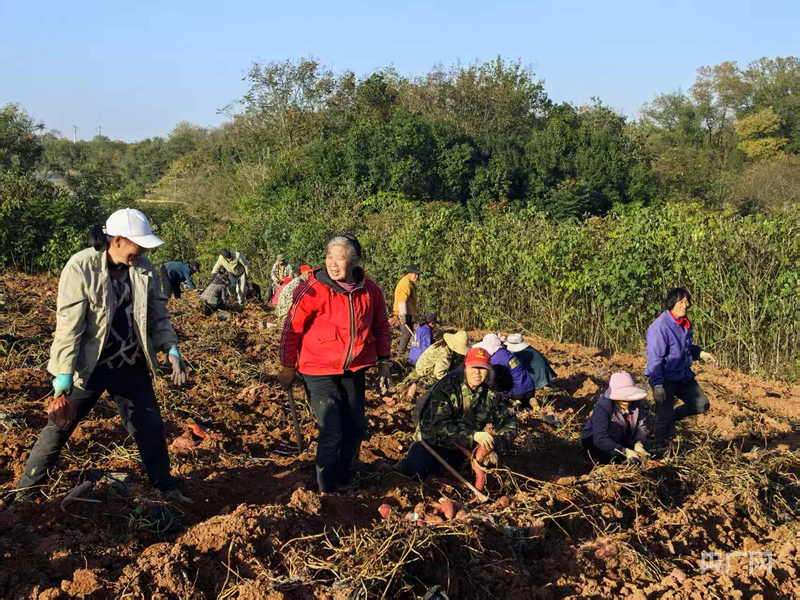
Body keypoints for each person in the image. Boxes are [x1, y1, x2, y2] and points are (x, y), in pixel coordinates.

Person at [15, 208, 189, 501]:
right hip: (88, 367)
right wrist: (64, 372)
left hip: (130, 363)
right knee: (60, 425)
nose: (143, 252)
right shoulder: (81, 267)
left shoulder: (143, 268)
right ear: (118, 240)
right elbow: (69, 324)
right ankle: (25, 492)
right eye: (138, 245)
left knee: (150, 428)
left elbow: (157, 314)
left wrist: (170, 347)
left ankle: (165, 488)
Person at [279, 234, 391, 493]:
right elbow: (291, 329)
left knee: (356, 427)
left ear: (353, 261)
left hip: (355, 368)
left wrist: (384, 361)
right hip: (317, 369)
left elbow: (381, 326)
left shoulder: (370, 290)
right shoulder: (313, 289)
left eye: (339, 258)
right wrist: (287, 366)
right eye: (329, 257)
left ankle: (345, 479)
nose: (332, 263)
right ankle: (326, 490)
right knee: (332, 428)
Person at [395, 347, 518, 479]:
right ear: (466, 367)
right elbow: (438, 426)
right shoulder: (448, 387)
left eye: (482, 368)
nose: (477, 372)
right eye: (473, 367)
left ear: (488, 370)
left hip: (462, 449)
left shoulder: (490, 396)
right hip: (432, 443)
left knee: (487, 470)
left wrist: (494, 443)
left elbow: (509, 422)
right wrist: (473, 436)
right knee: (417, 470)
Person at [645, 288, 716, 448]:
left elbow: (685, 348)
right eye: (681, 301)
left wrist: (701, 354)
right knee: (663, 419)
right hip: (665, 378)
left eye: (687, 301)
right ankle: (659, 449)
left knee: (701, 404)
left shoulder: (684, 323)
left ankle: (671, 417)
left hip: (683, 376)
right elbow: (654, 358)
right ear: (671, 303)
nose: (686, 305)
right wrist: (657, 385)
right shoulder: (660, 327)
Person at [582, 372, 650, 464]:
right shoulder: (603, 406)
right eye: (622, 398)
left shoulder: (637, 403)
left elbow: (641, 427)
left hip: (622, 438)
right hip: (597, 442)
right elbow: (599, 438)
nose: (626, 401)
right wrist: (624, 451)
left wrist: (639, 443)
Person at [474, 333, 536, 408]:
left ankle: (512, 401)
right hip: (530, 388)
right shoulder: (506, 352)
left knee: (489, 381)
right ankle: (528, 400)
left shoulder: (495, 359)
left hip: (516, 391)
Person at [393, 265, 421, 355]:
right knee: (406, 334)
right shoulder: (405, 284)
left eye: (417, 274)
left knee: (408, 333)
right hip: (403, 313)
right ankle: (400, 354)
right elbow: (402, 300)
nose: (416, 276)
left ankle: (403, 351)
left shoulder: (409, 283)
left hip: (407, 313)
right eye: (414, 274)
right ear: (409, 273)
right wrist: (402, 315)